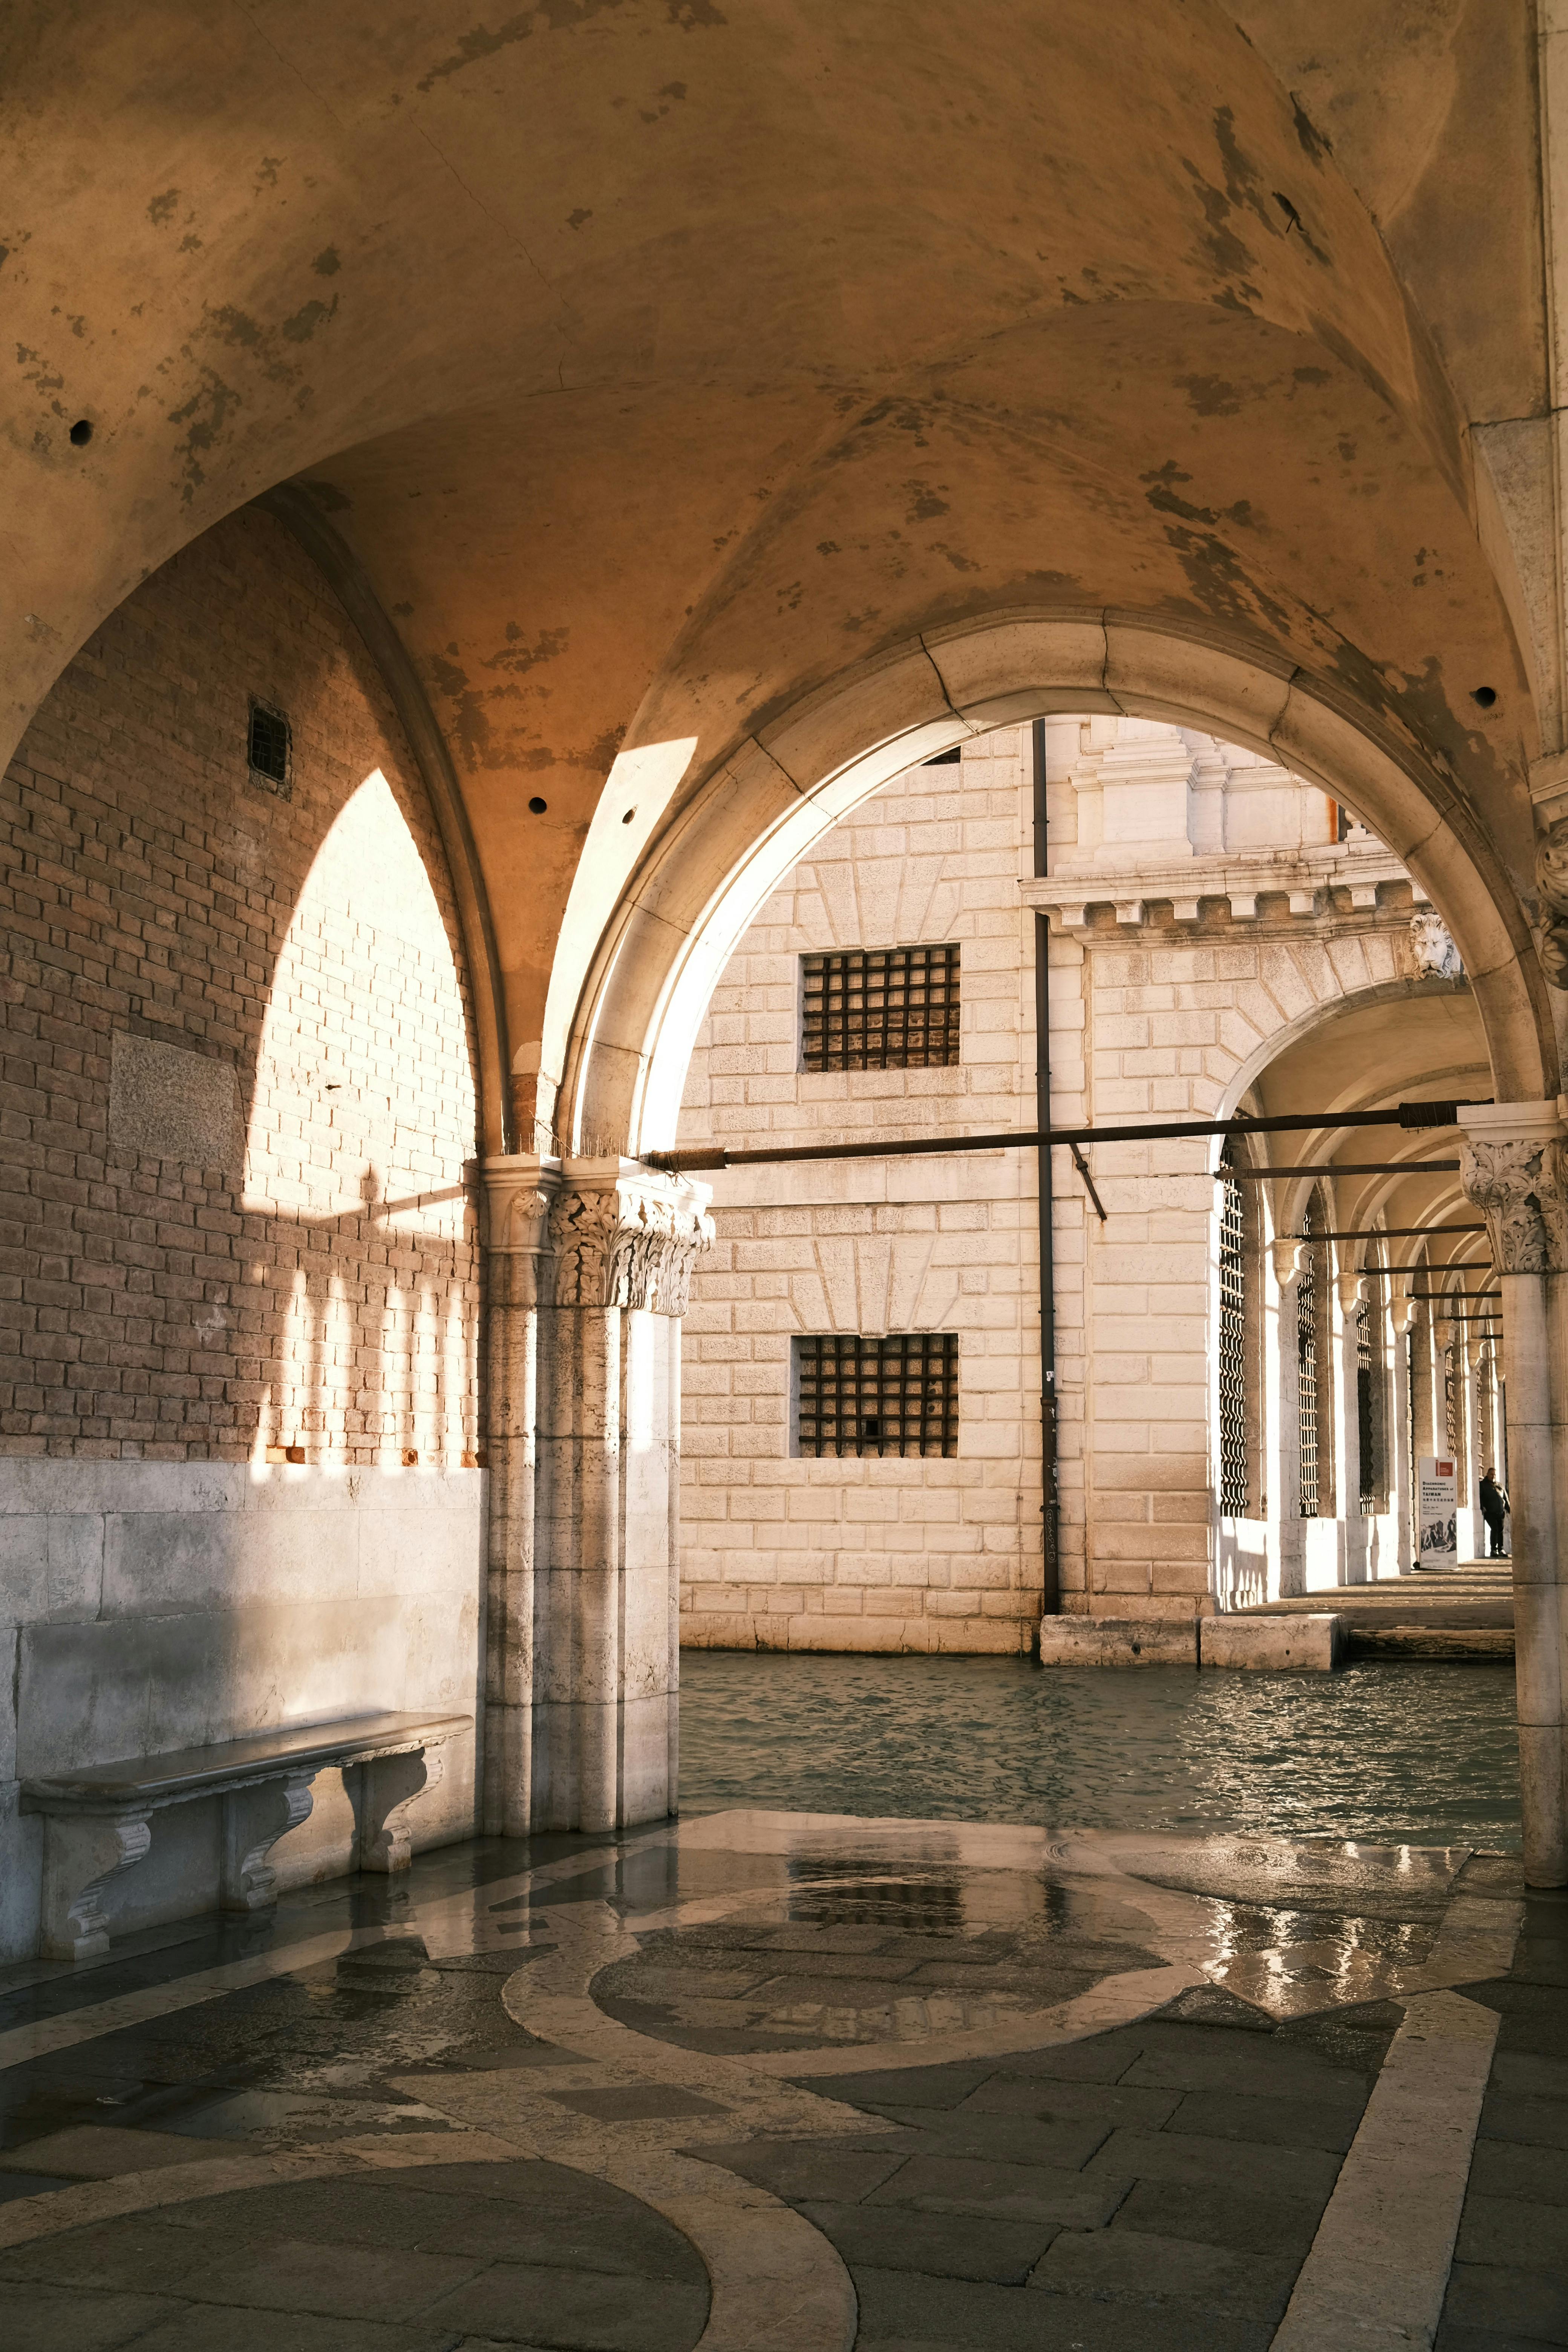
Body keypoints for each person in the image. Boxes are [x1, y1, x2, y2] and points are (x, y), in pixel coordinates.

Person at [1478, 1468, 1509, 1559]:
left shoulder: (1500, 1485)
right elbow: (1479, 1497)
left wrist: (1510, 1510)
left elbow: (1506, 1499)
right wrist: (1482, 1506)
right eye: (1491, 1474)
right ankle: (1493, 1550)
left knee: (1500, 1530)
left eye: (1495, 1474)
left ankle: (1501, 1549)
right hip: (1490, 1512)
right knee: (1495, 1529)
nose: (1493, 1476)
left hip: (1501, 1512)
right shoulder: (1483, 1485)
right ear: (1487, 1474)